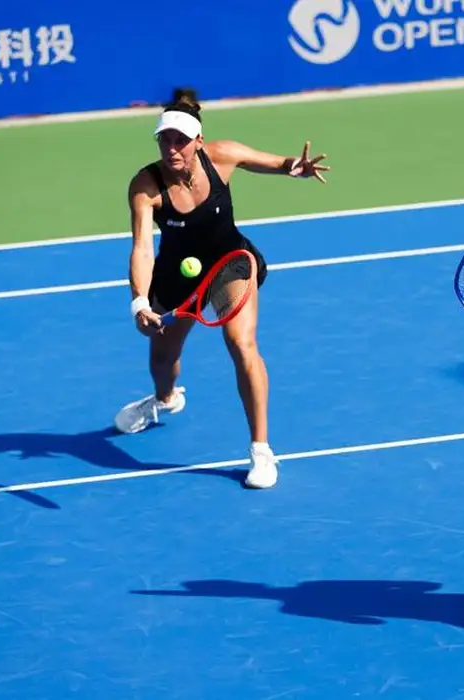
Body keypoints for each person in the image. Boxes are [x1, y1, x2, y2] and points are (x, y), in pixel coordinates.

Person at [114, 96, 329, 490]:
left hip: (230, 263)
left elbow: (270, 161)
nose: (172, 148)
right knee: (162, 359)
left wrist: (293, 167)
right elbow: (142, 247)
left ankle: (261, 450)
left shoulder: (221, 156)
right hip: (177, 275)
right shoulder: (146, 186)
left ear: (198, 141)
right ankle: (165, 399)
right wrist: (140, 301)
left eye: (181, 140)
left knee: (242, 344)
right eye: (165, 140)